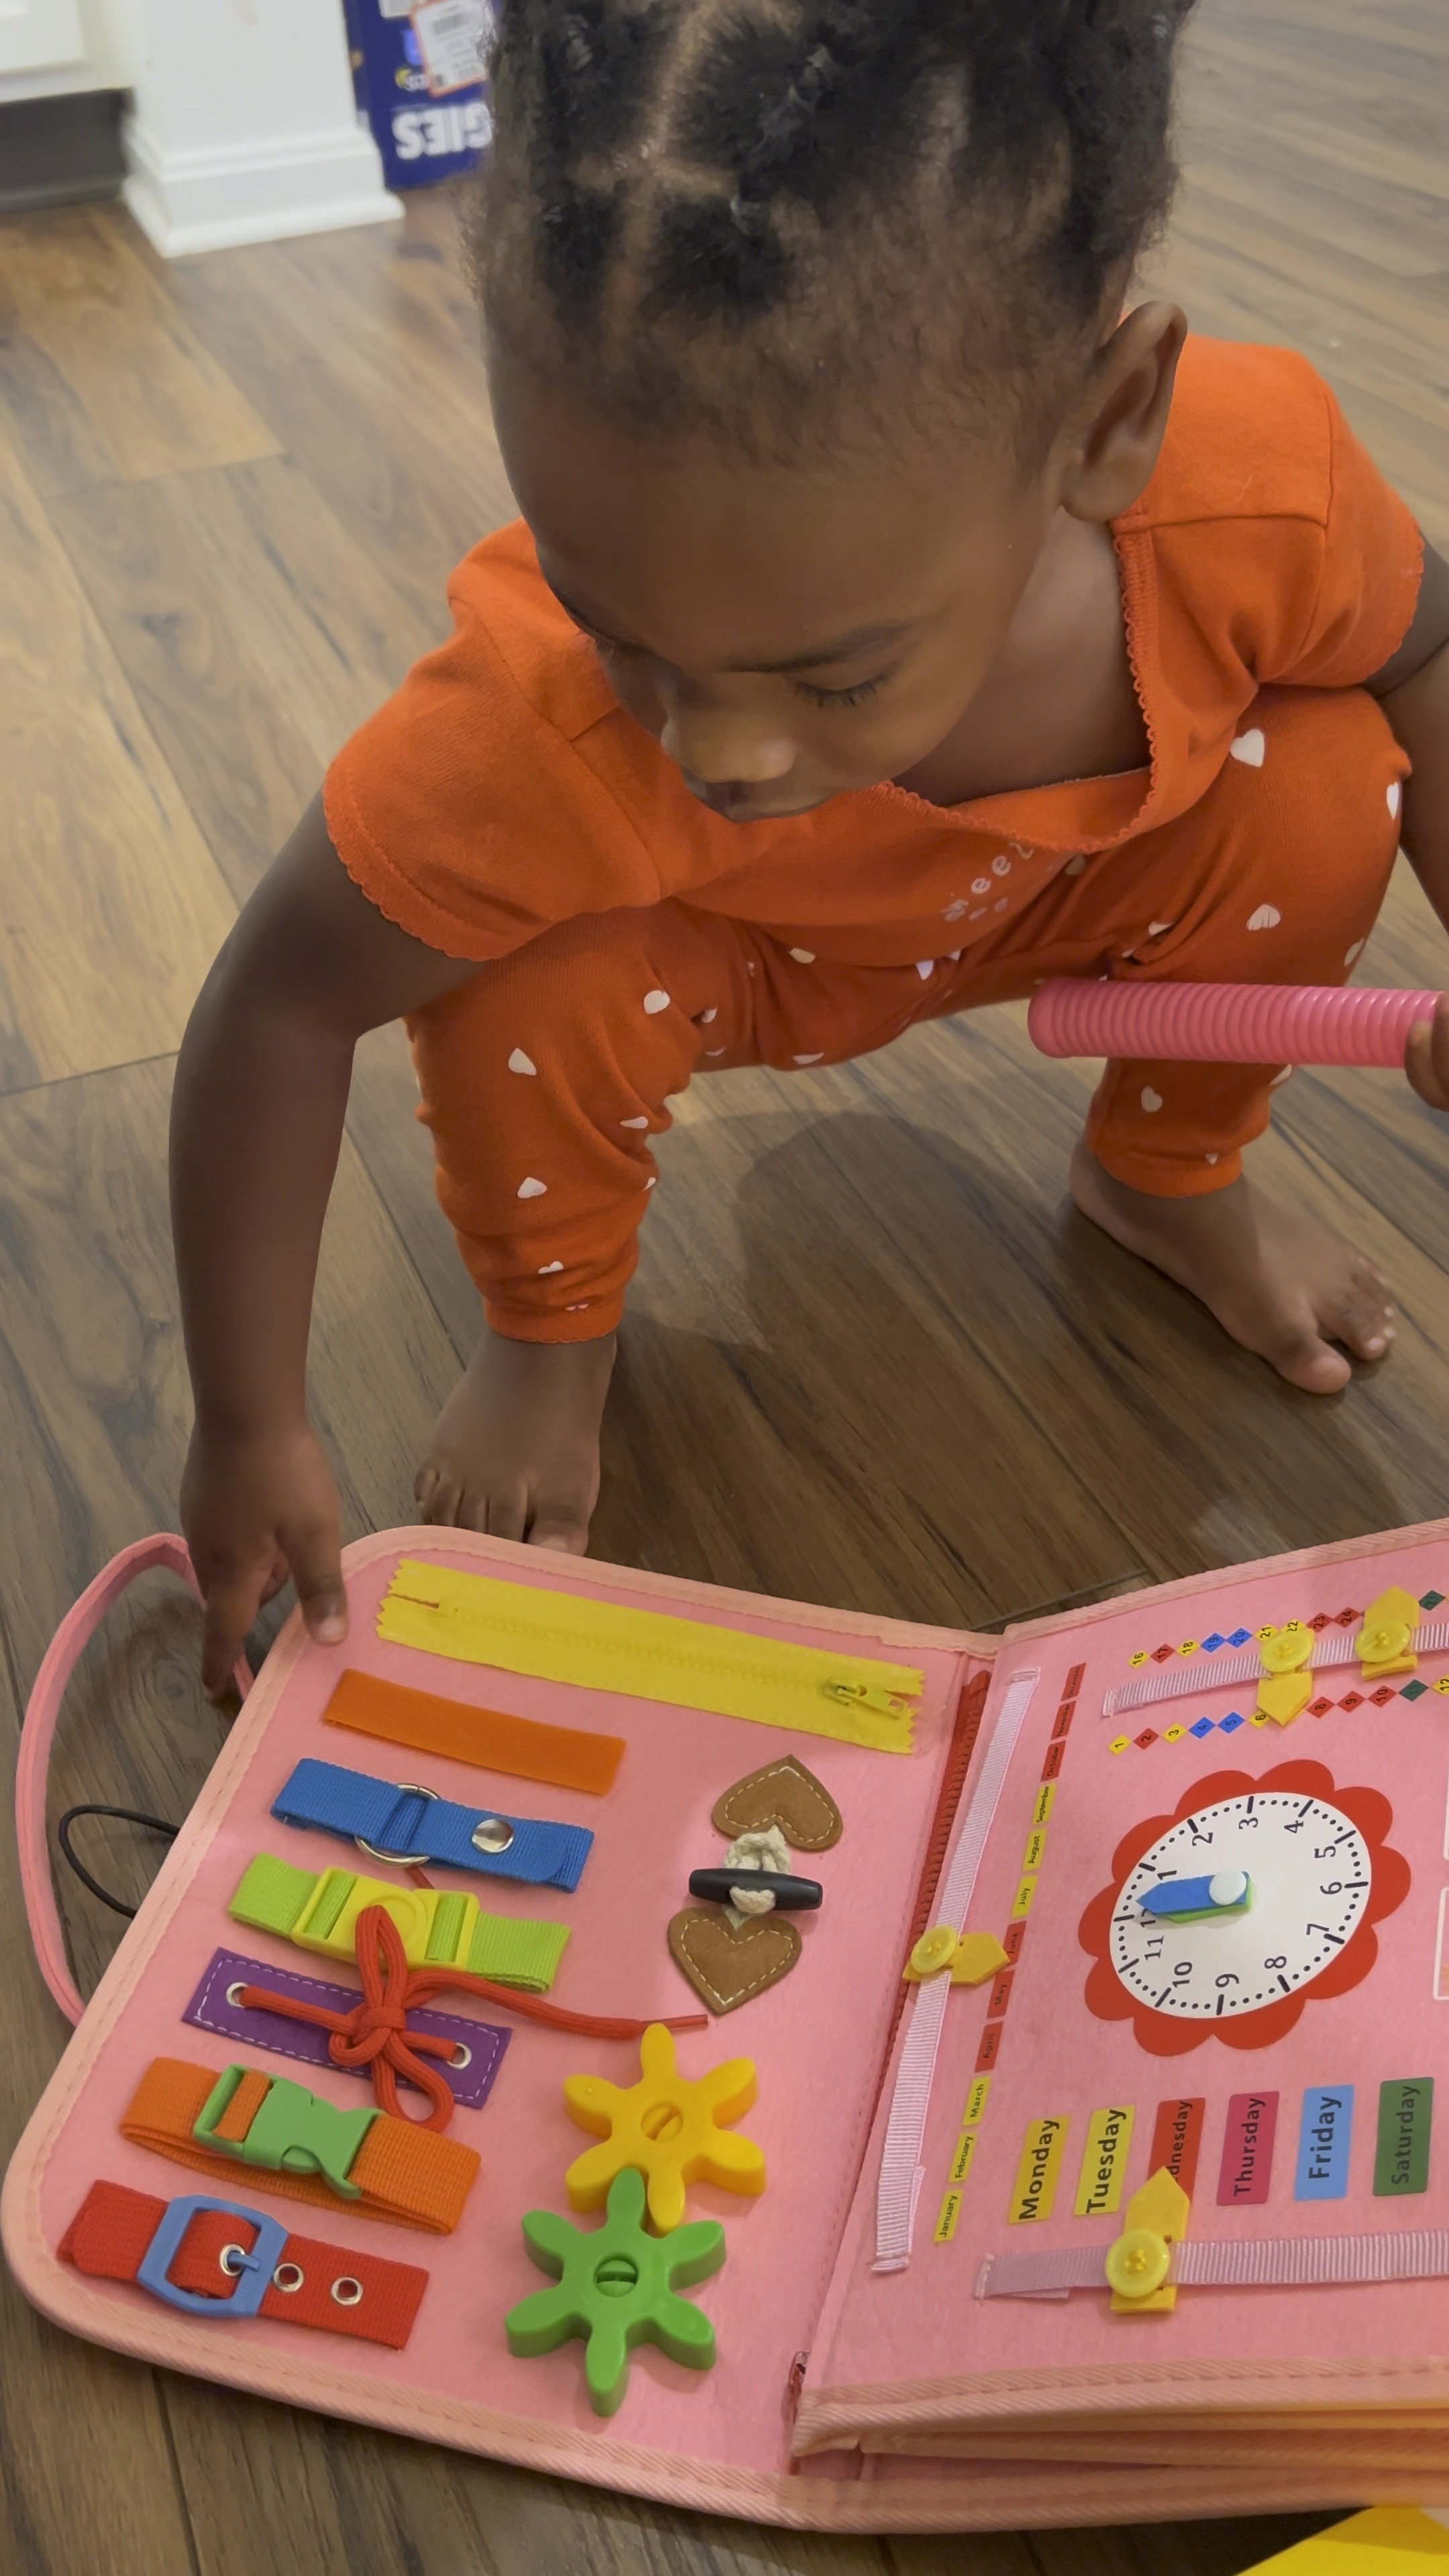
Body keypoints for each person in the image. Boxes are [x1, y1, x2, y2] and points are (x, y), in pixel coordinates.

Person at [171, 0, 1449, 1695]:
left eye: (835, 670)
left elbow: (1421, 649)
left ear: (1108, 416)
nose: (723, 747)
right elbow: (274, 1003)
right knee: (505, 953)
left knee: (1331, 773)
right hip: (734, 957)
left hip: (1079, 904)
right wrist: (248, 1424)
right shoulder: (544, 732)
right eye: (613, 622)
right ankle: (552, 1329)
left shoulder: (1255, 490)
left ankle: (1168, 1174)